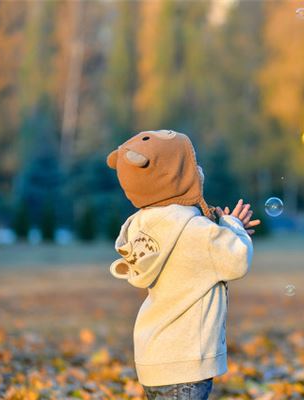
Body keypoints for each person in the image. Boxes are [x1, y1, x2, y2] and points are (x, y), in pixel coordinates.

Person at [106, 129, 260, 400]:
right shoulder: (194, 230)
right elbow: (236, 259)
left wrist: (219, 227)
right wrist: (232, 225)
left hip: (153, 356)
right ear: (176, 176)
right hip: (185, 362)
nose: (197, 170)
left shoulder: (142, 225)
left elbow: (194, 257)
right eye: (192, 164)